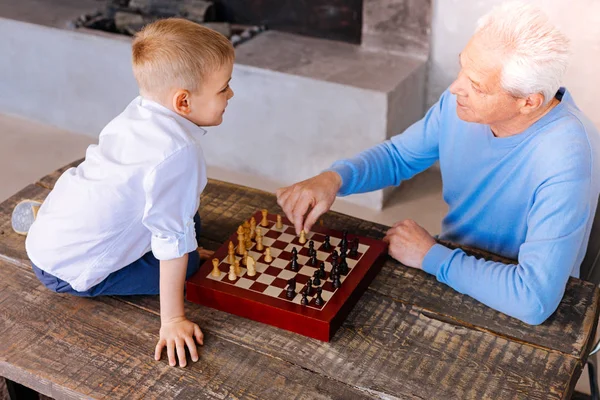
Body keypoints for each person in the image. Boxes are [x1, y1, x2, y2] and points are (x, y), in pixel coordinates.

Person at [276, 2, 600, 325]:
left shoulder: (567, 155)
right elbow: (398, 157)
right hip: (451, 266)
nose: (454, 88)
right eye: (462, 68)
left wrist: (431, 256)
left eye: (476, 85)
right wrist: (334, 178)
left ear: (529, 101)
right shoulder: (460, 105)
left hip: (510, 301)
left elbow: (533, 298)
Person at [23, 18, 235, 367]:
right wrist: (172, 320)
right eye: (223, 88)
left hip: (50, 234)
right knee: (189, 261)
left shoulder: (138, 111)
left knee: (186, 214)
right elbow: (171, 243)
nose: (231, 95)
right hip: (66, 271)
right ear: (183, 102)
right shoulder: (178, 154)